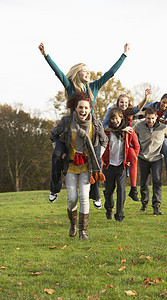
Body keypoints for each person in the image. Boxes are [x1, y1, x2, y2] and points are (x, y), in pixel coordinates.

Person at [38, 42, 130, 208]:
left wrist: (124, 54)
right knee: (57, 156)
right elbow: (57, 72)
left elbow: (110, 73)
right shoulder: (70, 85)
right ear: (77, 73)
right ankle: (54, 188)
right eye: (84, 70)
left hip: (90, 130)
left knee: (96, 161)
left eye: (89, 71)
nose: (87, 73)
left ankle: (95, 195)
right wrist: (46, 55)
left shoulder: (93, 86)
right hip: (71, 128)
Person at [50, 91, 108, 239]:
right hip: (70, 165)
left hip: (87, 167)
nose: (83, 111)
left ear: (90, 109)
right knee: (71, 198)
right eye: (80, 107)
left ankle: (83, 231)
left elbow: (104, 141)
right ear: (75, 108)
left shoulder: (95, 123)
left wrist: (97, 155)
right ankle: (73, 224)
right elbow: (53, 135)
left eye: (86, 108)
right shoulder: (66, 121)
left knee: (83, 196)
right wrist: (59, 151)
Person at [102, 89, 151, 201]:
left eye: (125, 102)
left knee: (133, 156)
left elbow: (137, 108)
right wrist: (123, 128)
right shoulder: (112, 111)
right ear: (117, 103)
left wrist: (145, 99)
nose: (123, 104)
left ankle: (133, 188)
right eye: (121, 102)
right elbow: (104, 127)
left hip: (126, 141)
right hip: (114, 141)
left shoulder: (129, 111)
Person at [134, 106, 167, 215]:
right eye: (148, 118)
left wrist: (164, 149)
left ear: (156, 117)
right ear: (145, 118)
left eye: (152, 118)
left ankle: (156, 206)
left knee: (157, 181)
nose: (150, 121)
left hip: (157, 158)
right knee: (144, 182)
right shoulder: (139, 126)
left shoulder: (164, 127)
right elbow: (132, 135)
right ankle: (144, 204)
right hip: (143, 158)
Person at [102, 106, 140, 222]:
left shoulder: (129, 131)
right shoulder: (106, 131)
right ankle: (109, 207)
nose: (115, 121)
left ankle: (119, 215)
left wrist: (131, 159)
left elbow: (137, 146)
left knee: (121, 190)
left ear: (122, 118)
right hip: (108, 165)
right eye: (112, 119)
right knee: (108, 191)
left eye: (117, 118)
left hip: (121, 165)